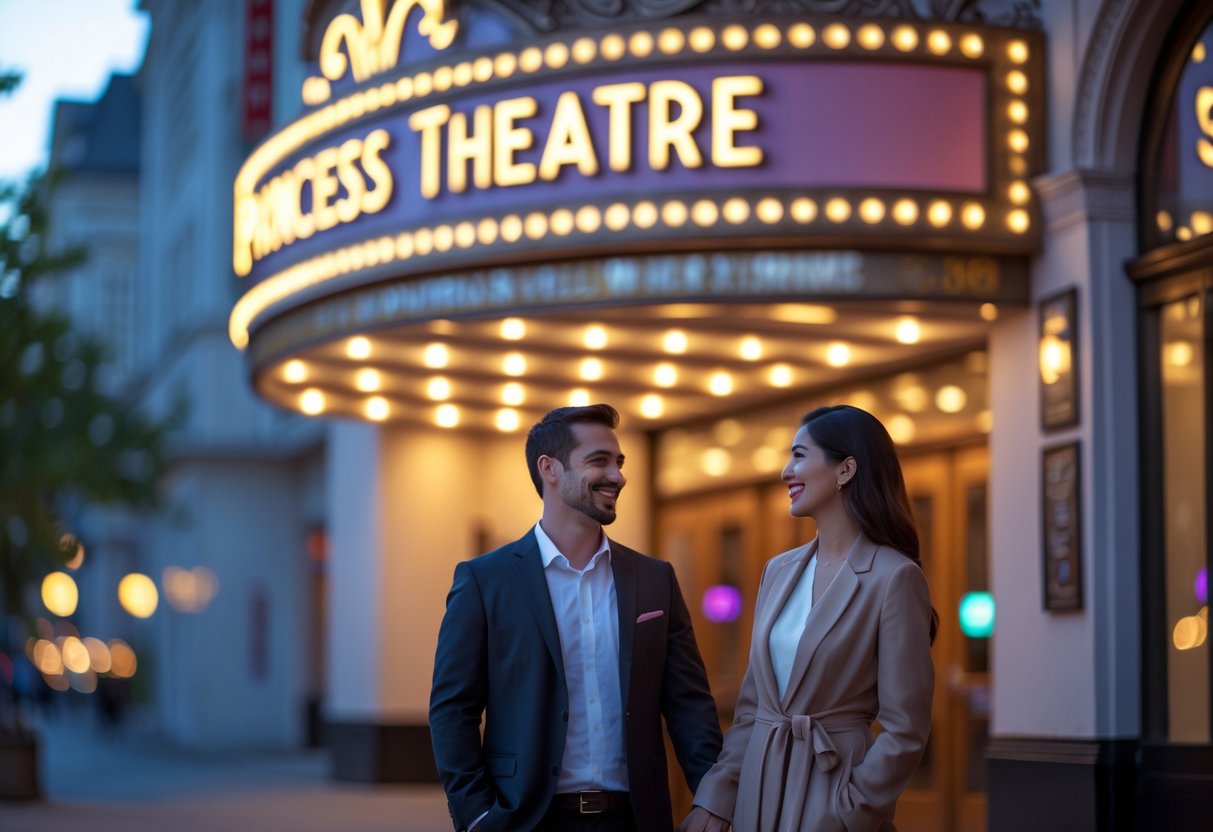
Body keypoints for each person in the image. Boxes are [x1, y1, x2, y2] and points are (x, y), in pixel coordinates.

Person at [430, 403, 724, 832]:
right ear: (549, 469)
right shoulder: (484, 581)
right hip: (526, 820)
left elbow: (689, 704)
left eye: (619, 462)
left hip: (635, 820)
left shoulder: (655, 579)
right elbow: (452, 710)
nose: (618, 476)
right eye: (598, 461)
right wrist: (476, 817)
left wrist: (712, 801)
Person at [681, 404, 936, 832]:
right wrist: (718, 799)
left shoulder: (895, 578)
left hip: (831, 794)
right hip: (757, 798)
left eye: (799, 455)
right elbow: (752, 709)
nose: (785, 471)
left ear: (845, 470)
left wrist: (850, 811)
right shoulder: (777, 571)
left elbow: (905, 729)